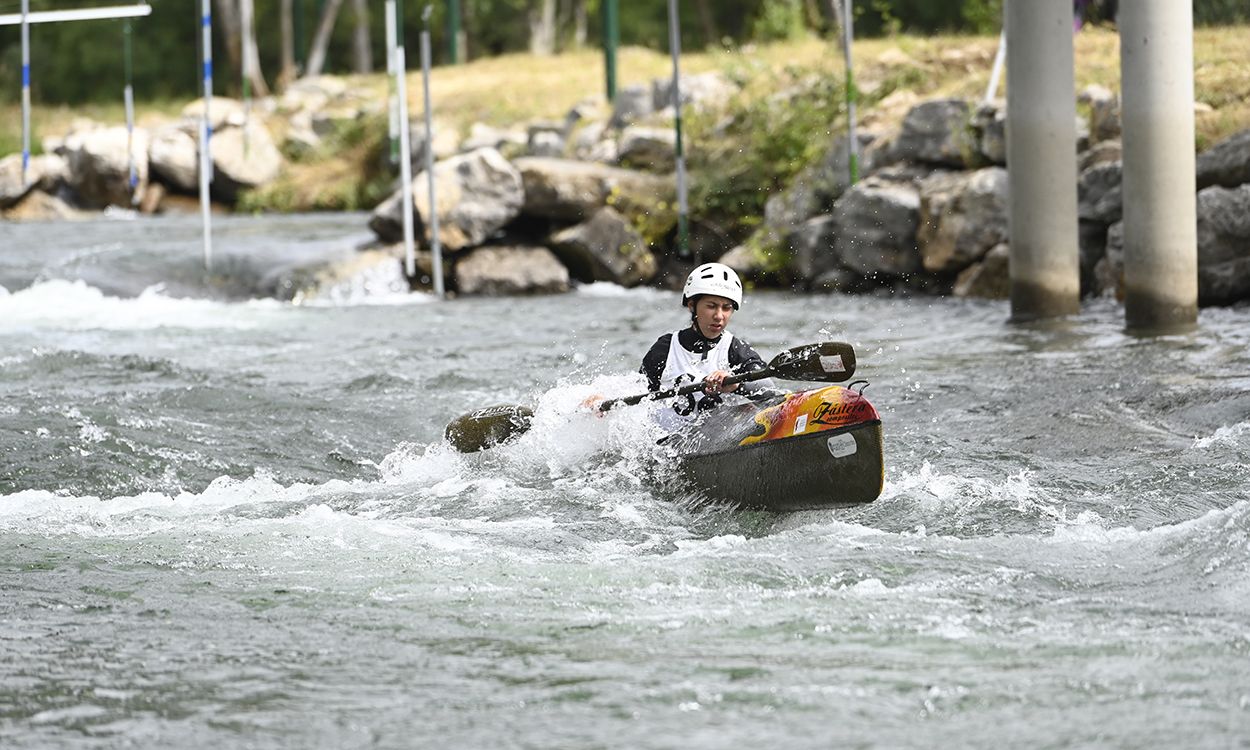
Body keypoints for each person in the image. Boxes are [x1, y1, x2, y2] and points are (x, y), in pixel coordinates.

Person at [639, 262, 776, 418]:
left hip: (717, 437)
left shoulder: (735, 349)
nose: (719, 316)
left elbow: (769, 391)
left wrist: (737, 385)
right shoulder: (665, 348)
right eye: (711, 306)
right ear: (692, 306)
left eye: (726, 308)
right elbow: (637, 389)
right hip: (667, 440)